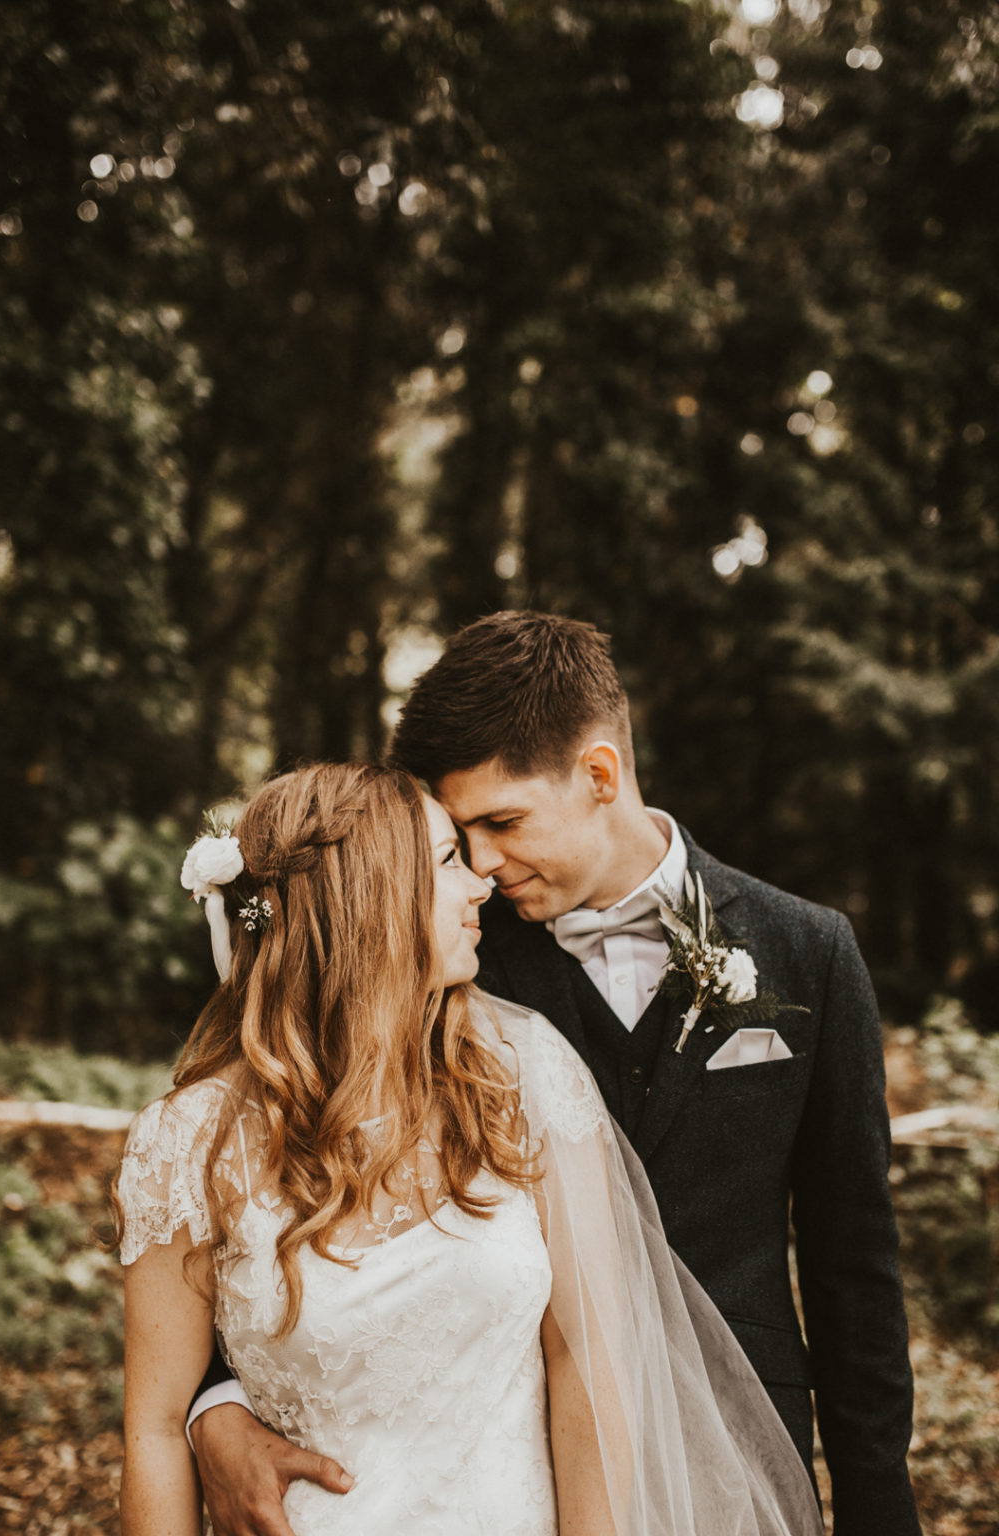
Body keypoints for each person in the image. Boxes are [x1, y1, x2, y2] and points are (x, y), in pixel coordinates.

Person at [188, 614, 921, 1536]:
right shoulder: (453, 957)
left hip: (741, 1462)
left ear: (600, 776)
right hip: (521, 1466)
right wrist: (216, 1401)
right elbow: (283, 1163)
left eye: (503, 822)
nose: (481, 866)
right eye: (463, 835)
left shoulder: (806, 952)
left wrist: (878, 1511)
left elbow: (854, 1267)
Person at [116, 759, 822, 1536]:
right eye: (449, 860)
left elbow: (589, 1362)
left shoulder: (524, 1075)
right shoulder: (182, 1144)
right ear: (370, 898)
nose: (482, 882)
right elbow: (153, 1429)